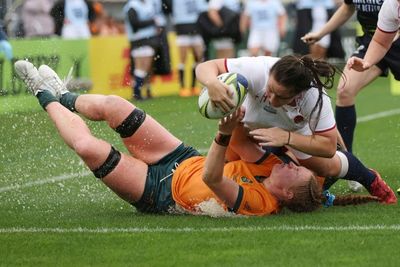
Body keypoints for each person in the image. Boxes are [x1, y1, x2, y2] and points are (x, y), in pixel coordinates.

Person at [14, 59, 326, 216]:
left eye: (296, 170)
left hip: (161, 193)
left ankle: (43, 95)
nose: (292, 164)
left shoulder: (261, 203)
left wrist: (222, 135)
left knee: (88, 147)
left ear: (285, 194)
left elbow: (213, 179)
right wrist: (237, 110)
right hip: (181, 158)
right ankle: (65, 94)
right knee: (115, 106)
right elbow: (240, 143)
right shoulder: (272, 164)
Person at [195, 54, 397, 204]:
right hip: (248, 123)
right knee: (233, 160)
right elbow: (206, 66)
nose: (272, 100)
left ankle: (371, 179)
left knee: (327, 167)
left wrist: (286, 137)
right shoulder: (258, 68)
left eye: (281, 97)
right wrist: (212, 83)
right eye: (270, 90)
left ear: (298, 94)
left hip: (294, 131)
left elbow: (326, 146)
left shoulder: (315, 97)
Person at [300, 0, 400, 192]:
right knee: (345, 90)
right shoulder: (390, 6)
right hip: (375, 41)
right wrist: (321, 33)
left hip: (394, 40)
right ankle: (347, 162)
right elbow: (347, 8)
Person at [347, 0, 400, 72]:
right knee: (346, 82)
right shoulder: (390, 5)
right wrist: (366, 61)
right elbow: (381, 43)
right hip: (370, 37)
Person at [123, 0, 160, 101]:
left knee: (145, 69)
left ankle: (141, 92)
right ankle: (137, 93)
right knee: (141, 68)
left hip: (148, 39)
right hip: (139, 40)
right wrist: (152, 22)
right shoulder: (132, 6)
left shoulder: (147, 3)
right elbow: (134, 23)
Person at [170, 0, 207, 97]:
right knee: (183, 59)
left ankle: (193, 86)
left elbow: (204, 9)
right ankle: (183, 87)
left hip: (196, 29)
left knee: (198, 58)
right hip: (182, 29)